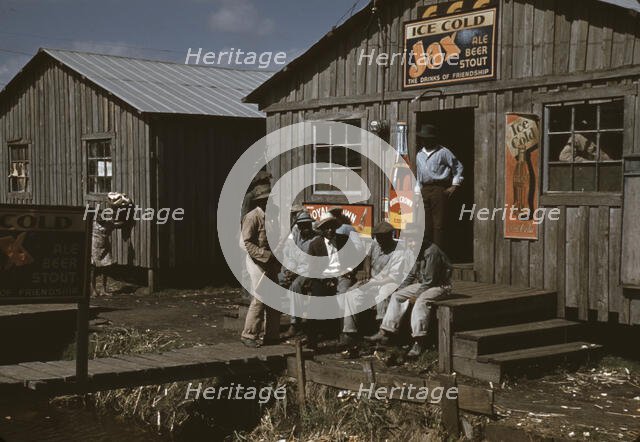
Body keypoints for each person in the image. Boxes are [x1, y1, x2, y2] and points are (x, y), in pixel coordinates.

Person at [366, 232, 453, 358]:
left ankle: (419, 341)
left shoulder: (431, 252)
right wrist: (399, 289)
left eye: (414, 241)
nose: (411, 244)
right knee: (397, 296)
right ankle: (385, 330)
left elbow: (430, 280)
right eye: (409, 241)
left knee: (421, 301)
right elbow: (411, 275)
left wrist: (416, 295)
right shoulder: (413, 251)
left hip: (440, 286)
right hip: (424, 284)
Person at [341, 221, 405, 344]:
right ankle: (350, 333)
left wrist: (374, 283)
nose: (380, 239)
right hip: (373, 280)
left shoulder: (398, 251)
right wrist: (366, 271)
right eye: (378, 236)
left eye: (383, 237)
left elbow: (394, 277)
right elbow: (367, 257)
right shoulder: (376, 243)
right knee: (351, 293)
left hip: (389, 281)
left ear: (390, 235)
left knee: (384, 294)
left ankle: (383, 332)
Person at [240, 184, 281, 348]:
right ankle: (249, 334)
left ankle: (272, 335)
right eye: (264, 200)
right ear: (259, 201)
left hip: (271, 262)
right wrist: (264, 256)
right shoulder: (252, 217)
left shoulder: (272, 216)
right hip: (256, 262)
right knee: (260, 298)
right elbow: (246, 243)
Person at [415, 124, 464, 251]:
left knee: (439, 224)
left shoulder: (443, 152)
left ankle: (438, 255)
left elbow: (458, 167)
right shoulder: (419, 154)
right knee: (425, 224)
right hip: (424, 190)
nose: (425, 140)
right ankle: (426, 253)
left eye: (427, 138)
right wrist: (418, 191)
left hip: (438, 188)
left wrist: (455, 185)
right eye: (423, 138)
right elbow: (419, 175)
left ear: (433, 138)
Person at [279, 211, 317, 338]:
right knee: (273, 281)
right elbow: (288, 256)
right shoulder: (295, 238)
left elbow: (313, 265)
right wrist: (288, 270)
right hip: (294, 270)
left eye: (307, 225)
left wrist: (295, 274)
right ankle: (269, 322)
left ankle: (295, 324)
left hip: (309, 273)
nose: (305, 228)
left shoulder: (316, 239)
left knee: (295, 286)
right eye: (302, 226)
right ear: (298, 227)